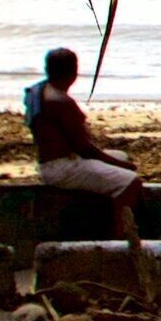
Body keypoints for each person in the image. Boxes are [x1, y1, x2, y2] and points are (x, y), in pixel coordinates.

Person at [24, 47, 144, 216]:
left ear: (47, 70)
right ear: (74, 73)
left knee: (120, 156)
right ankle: (119, 235)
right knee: (131, 182)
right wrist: (122, 166)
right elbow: (84, 149)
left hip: (50, 165)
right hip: (63, 168)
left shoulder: (38, 91)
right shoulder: (61, 103)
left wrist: (116, 161)